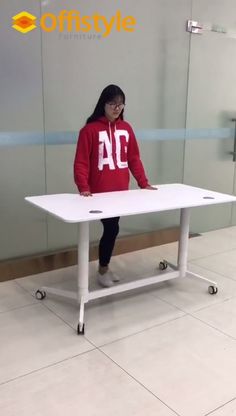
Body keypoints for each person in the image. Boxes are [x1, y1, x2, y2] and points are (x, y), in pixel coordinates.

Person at [74, 84, 156, 287]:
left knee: (112, 229)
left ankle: (104, 267)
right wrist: (83, 187)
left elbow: (134, 158)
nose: (116, 108)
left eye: (120, 104)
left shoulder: (126, 129)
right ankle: (102, 270)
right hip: (99, 194)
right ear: (103, 104)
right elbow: (81, 161)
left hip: (121, 194)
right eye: (112, 103)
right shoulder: (89, 130)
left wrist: (143, 183)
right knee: (112, 229)